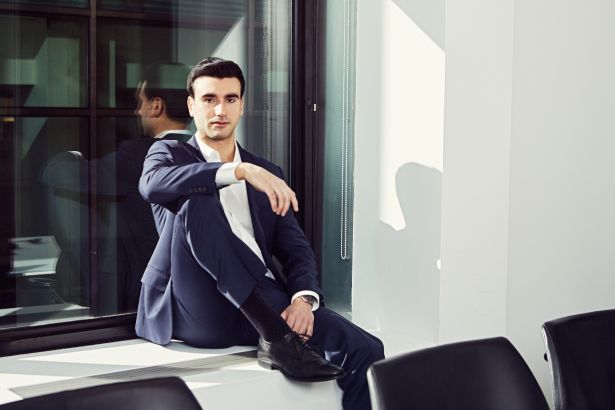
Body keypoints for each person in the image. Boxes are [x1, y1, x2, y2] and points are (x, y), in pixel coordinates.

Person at [136, 57, 384, 410]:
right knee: (198, 198)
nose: (220, 109)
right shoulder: (168, 152)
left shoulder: (268, 172)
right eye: (209, 99)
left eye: (230, 99)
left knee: (367, 349)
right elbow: (151, 186)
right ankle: (276, 337)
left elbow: (295, 248)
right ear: (192, 105)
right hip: (198, 306)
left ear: (242, 105)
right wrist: (236, 171)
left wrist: (302, 299)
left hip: (262, 303)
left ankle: (275, 334)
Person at [41, 64, 192, 312]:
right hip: (187, 284)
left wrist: (70, 157)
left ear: (156, 106)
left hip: (138, 289)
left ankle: (72, 283)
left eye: (139, 102)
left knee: (66, 186)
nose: (136, 110)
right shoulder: (204, 154)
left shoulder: (138, 155)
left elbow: (58, 175)